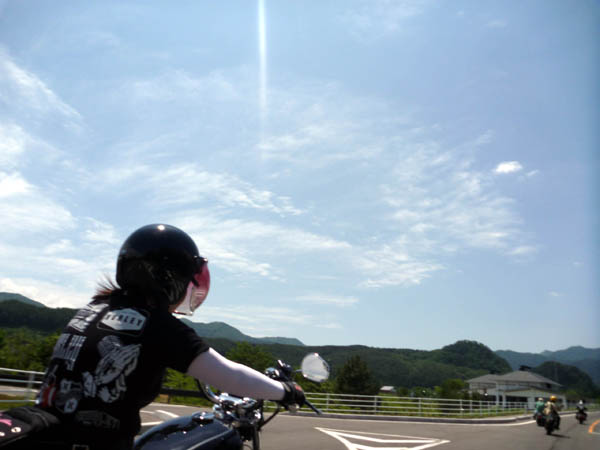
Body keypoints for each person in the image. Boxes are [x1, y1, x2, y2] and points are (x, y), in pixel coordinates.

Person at [0, 224, 305, 450]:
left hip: (45, 431)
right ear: (170, 279)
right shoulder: (156, 325)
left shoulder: (94, 309)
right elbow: (230, 376)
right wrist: (286, 390)